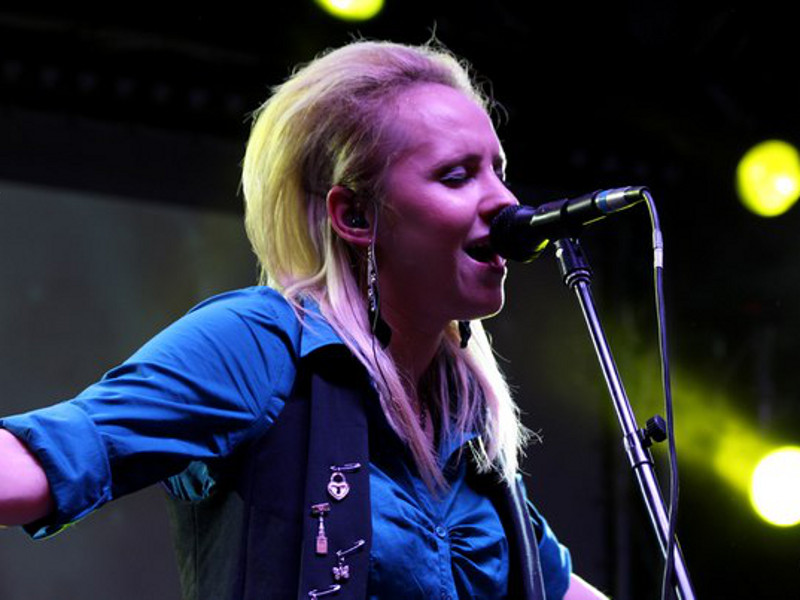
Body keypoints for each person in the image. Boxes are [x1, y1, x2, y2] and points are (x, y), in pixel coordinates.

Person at [0, 40, 606, 599]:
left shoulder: (466, 426)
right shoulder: (261, 344)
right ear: (356, 217)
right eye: (457, 176)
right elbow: (47, 459)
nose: (505, 201)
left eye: (498, 171)